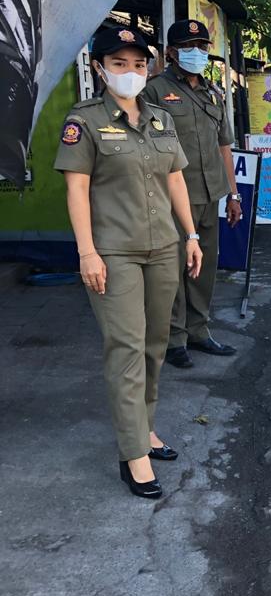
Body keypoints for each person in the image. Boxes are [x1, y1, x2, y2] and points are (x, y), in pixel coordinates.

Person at [54, 26, 202, 499]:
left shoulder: (160, 119)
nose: (131, 72)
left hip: (163, 248)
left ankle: (146, 428)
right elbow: (76, 189)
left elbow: (176, 179)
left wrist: (192, 234)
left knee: (155, 344)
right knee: (126, 347)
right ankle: (132, 454)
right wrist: (86, 252)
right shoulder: (86, 121)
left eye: (138, 64)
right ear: (99, 68)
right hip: (113, 252)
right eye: (119, 63)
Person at [142, 19, 241, 369]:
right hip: (172, 199)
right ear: (171, 52)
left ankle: (199, 331)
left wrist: (233, 195)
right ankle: (173, 338)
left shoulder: (212, 93)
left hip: (211, 194)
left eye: (202, 46)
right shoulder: (153, 91)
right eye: (189, 46)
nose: (197, 53)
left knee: (205, 268)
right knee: (174, 269)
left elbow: (224, 147)